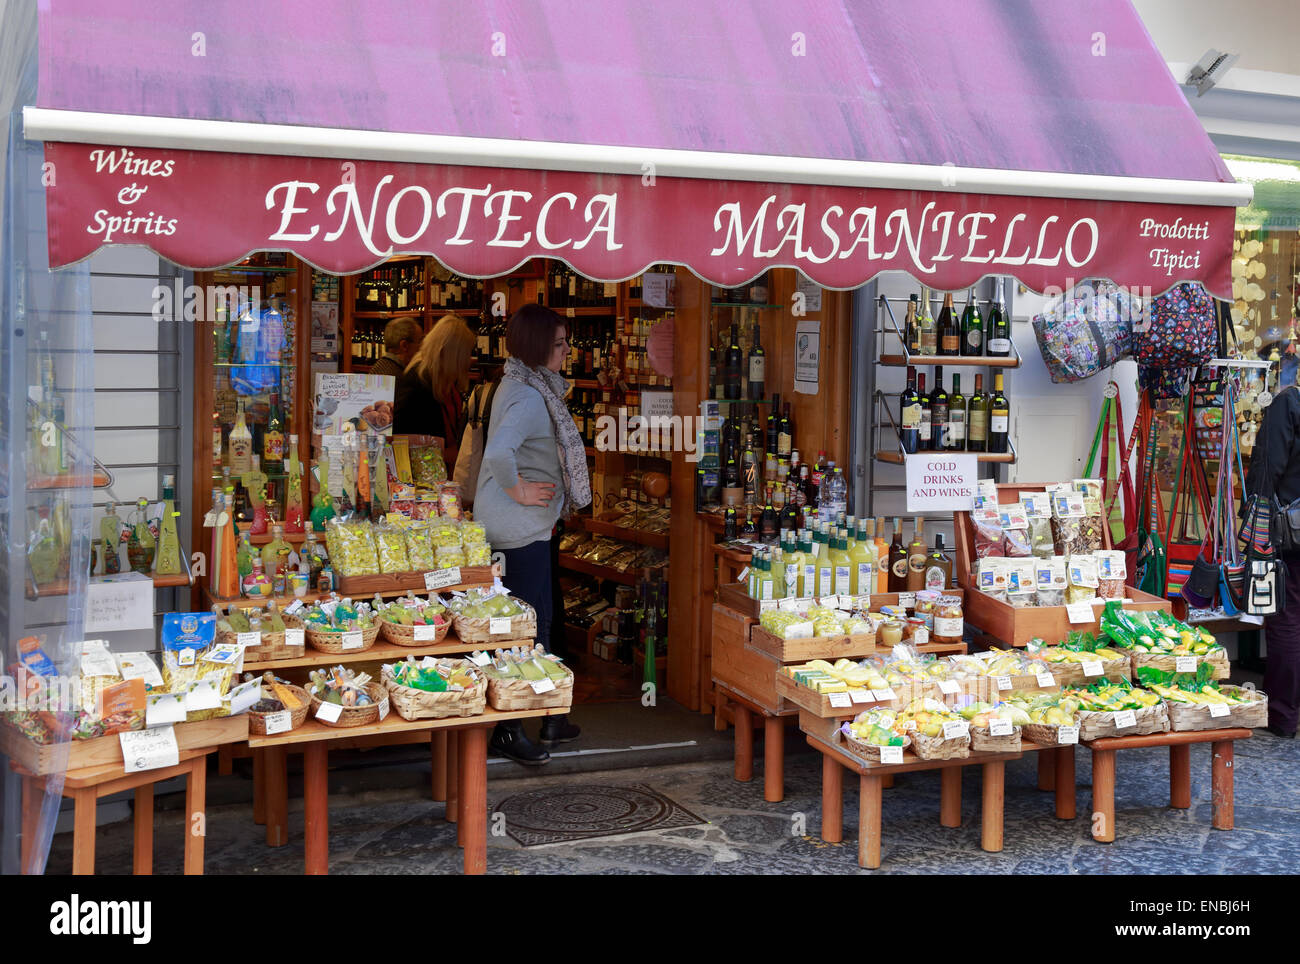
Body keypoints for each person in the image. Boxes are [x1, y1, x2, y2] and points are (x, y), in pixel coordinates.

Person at [477, 303, 591, 764]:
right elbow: (500, 453)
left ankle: (548, 713)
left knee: (538, 617)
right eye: (560, 344)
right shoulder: (527, 396)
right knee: (526, 625)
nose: (567, 352)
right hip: (516, 526)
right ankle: (508, 727)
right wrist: (520, 490)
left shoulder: (525, 384)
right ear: (539, 347)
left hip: (529, 525)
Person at [1244, 378, 1300, 738]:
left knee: (1287, 621)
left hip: (1291, 536)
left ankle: (1283, 715)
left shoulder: (1290, 403)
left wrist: (1255, 529)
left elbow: (1266, 470)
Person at [393, 314, 474, 466]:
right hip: (425, 479)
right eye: (466, 353)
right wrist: (451, 454)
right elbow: (402, 441)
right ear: (451, 355)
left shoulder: (443, 380)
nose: (469, 360)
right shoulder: (417, 384)